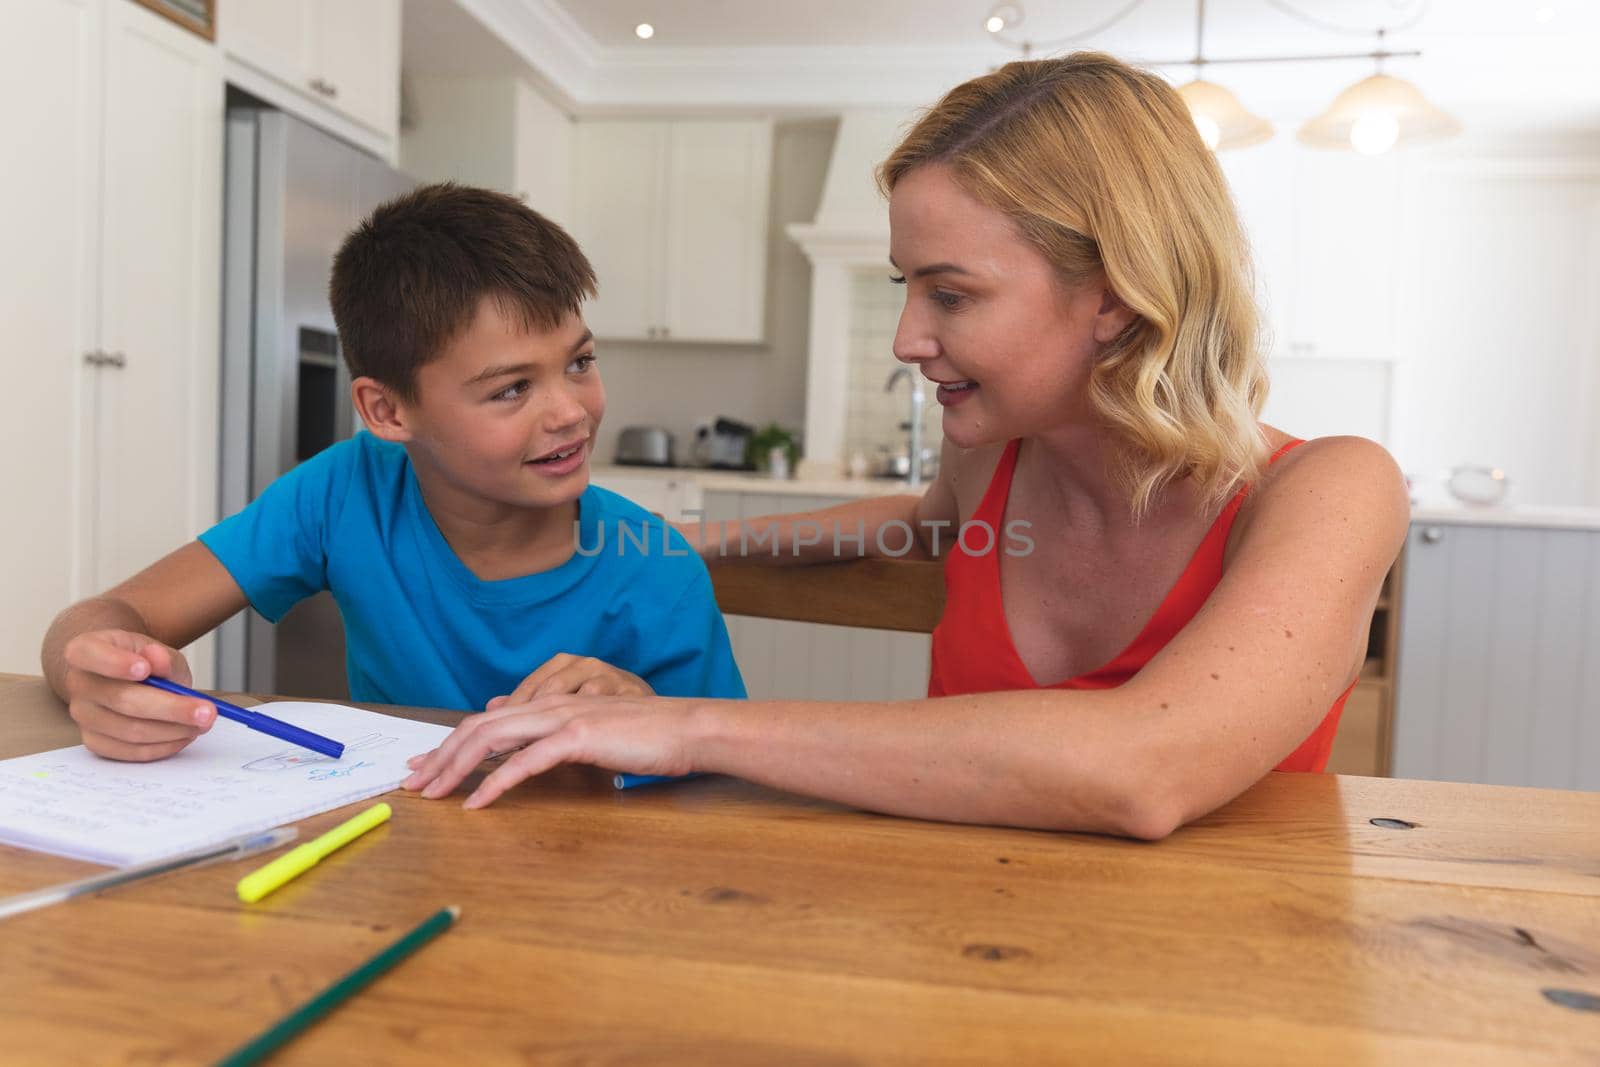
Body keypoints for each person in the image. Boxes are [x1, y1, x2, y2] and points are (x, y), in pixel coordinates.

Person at [402, 55, 1407, 839]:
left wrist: (688, 721)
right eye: (904, 287)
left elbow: (1145, 766)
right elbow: (921, 524)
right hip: (952, 943)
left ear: (1112, 294)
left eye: (952, 294)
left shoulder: (1330, 489)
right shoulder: (990, 461)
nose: (907, 340)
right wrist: (692, 543)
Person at [41, 183, 744, 762]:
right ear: (386, 409)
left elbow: (740, 782)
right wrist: (99, 674)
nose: (572, 411)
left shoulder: (655, 567)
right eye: (511, 389)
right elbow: (103, 618)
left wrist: (654, 720)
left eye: (579, 363)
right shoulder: (346, 491)